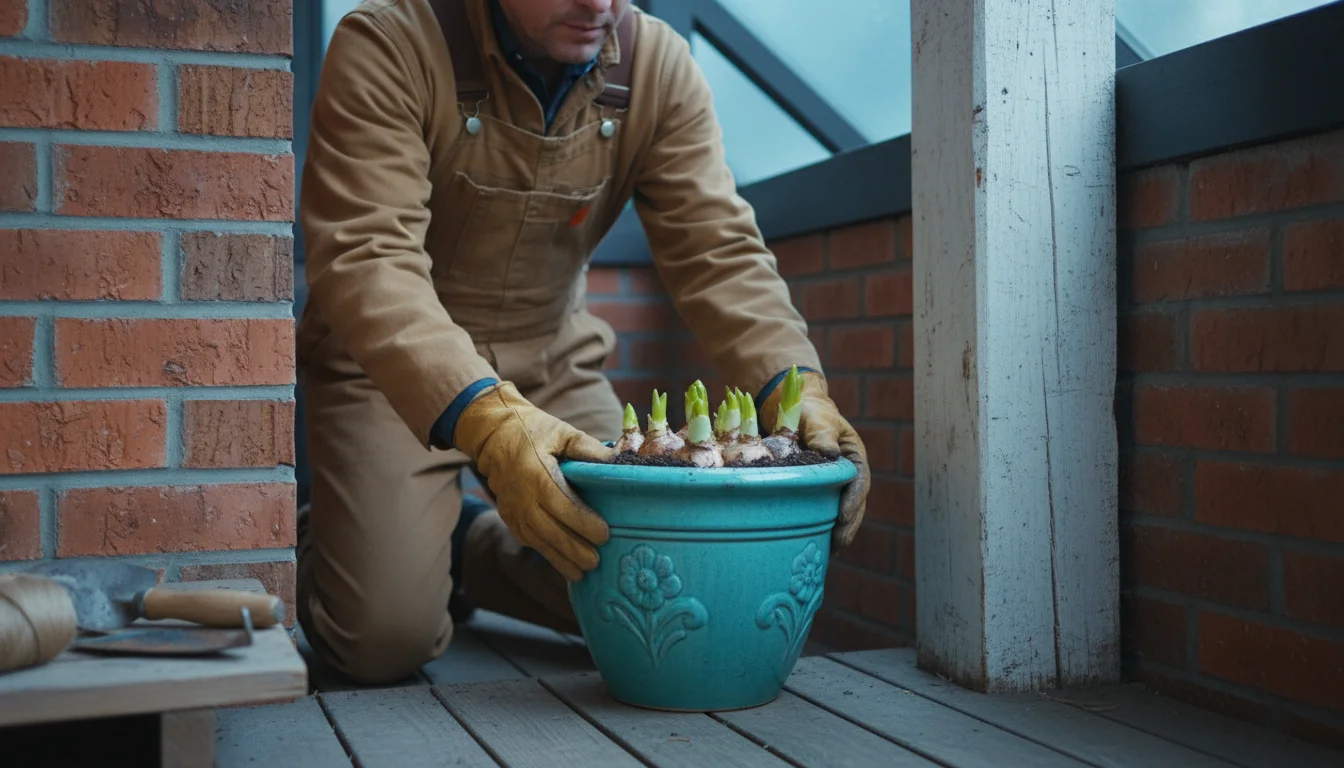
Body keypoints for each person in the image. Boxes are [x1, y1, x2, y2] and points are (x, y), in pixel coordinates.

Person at [295, 0, 871, 684]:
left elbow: (719, 250)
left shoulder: (658, 67)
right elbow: (367, 256)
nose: (599, 3)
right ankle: (335, 542)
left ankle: (464, 547)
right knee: (381, 642)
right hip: (389, 369)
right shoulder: (391, 42)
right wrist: (489, 419)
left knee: (655, 593)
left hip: (551, 358)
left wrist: (800, 386)